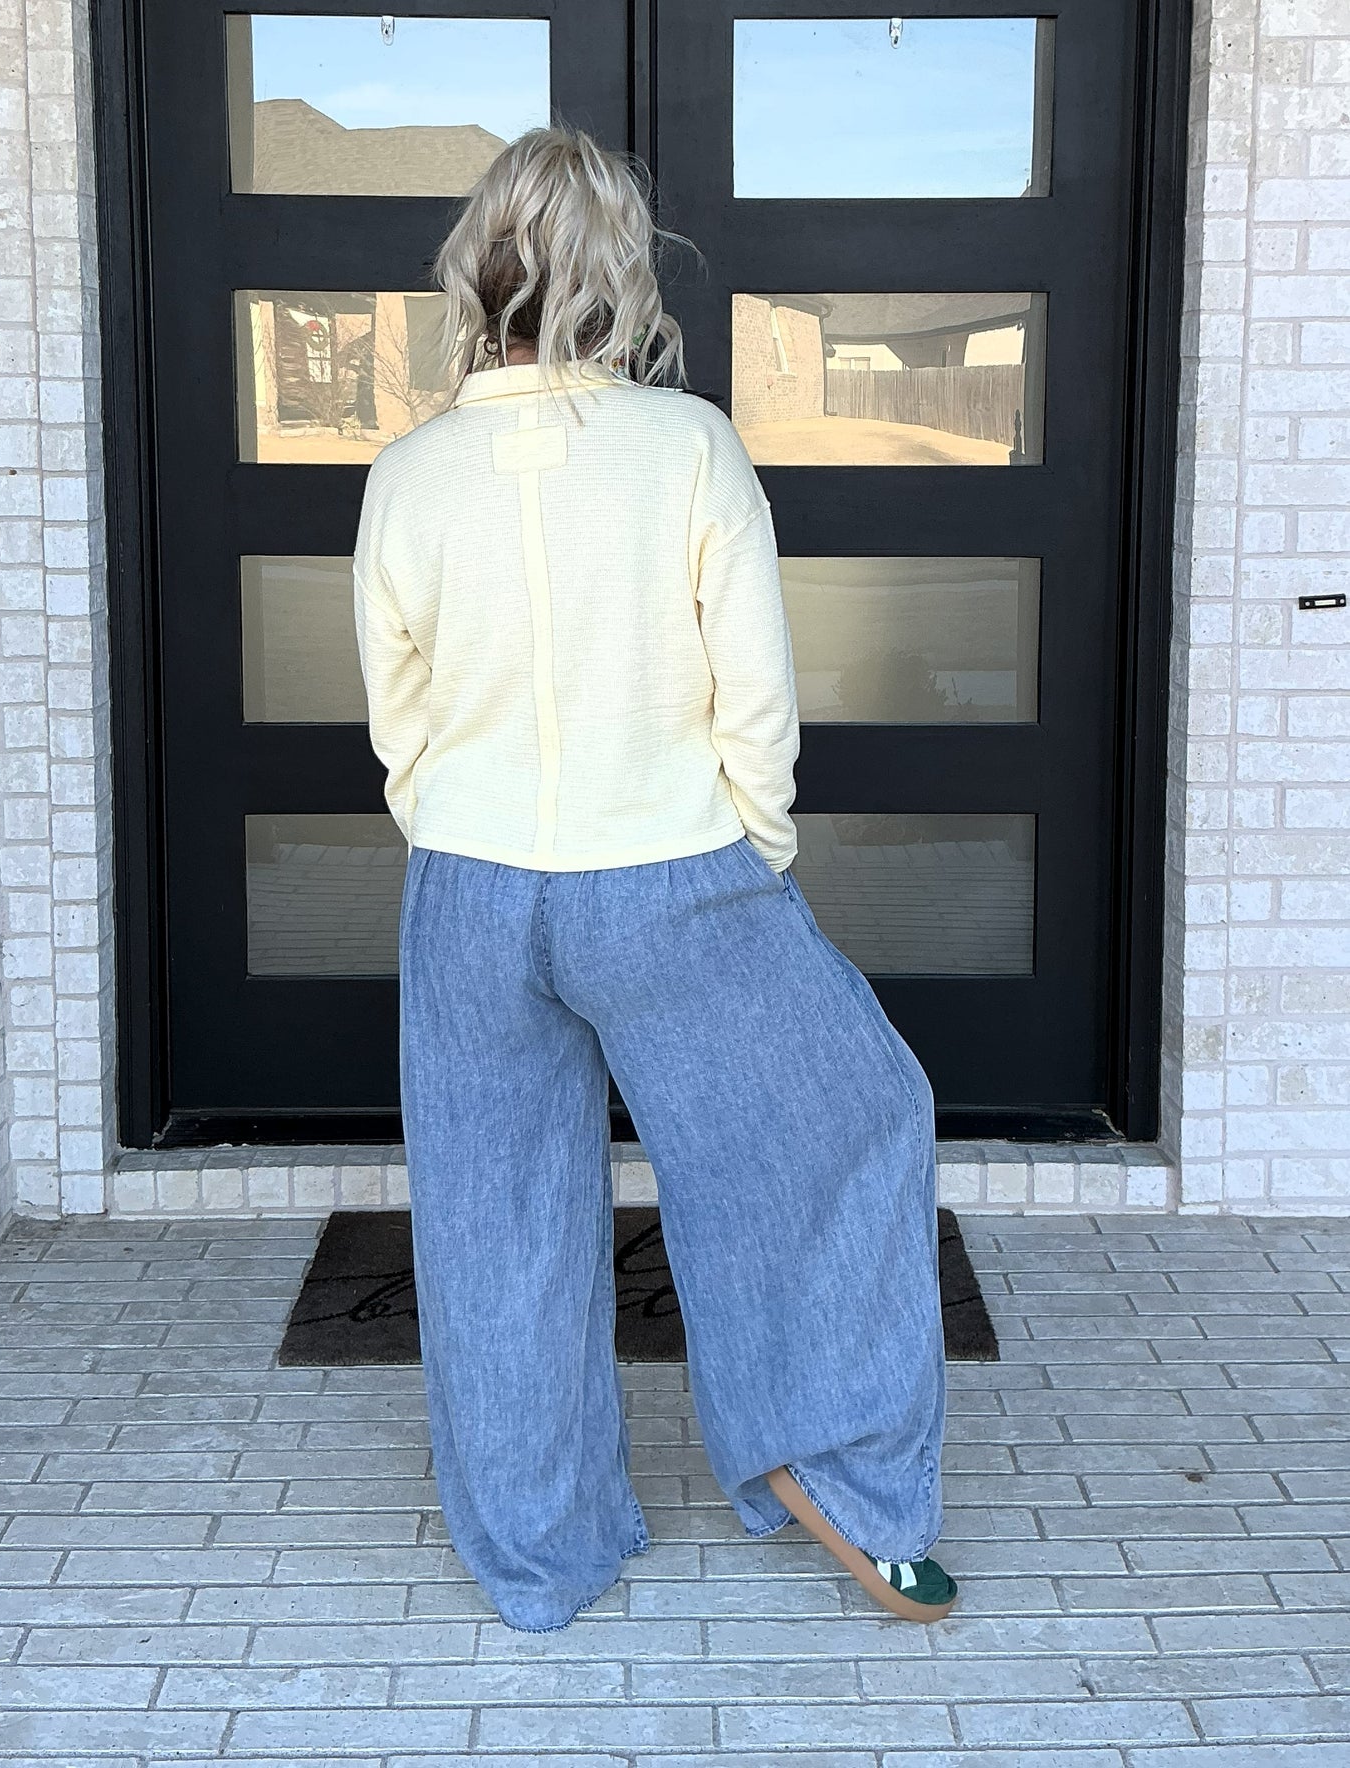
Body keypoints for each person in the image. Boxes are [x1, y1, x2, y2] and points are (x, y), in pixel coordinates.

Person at [352, 125, 955, 1634]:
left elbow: (397, 711)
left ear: (478, 272)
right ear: (615, 272)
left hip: (470, 889)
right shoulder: (686, 446)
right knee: (855, 1121)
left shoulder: (408, 474)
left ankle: (540, 1553)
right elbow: (756, 695)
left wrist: (454, 828)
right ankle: (838, 1473)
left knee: (494, 1217)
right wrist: (755, 854)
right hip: (672, 872)